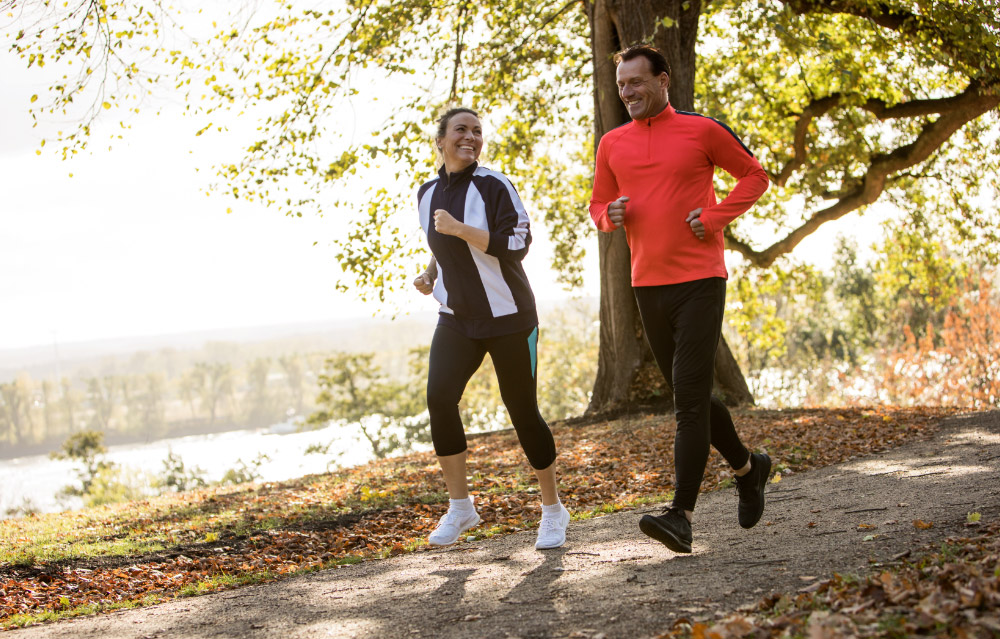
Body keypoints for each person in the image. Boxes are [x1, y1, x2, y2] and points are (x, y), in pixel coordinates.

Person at [588, 45, 773, 554]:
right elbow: (597, 204)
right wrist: (611, 215)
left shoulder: (702, 130)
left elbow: (755, 177)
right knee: (690, 396)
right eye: (621, 85)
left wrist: (715, 218)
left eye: (636, 83)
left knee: (687, 404)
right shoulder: (612, 143)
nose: (627, 92)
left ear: (663, 81)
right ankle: (747, 468)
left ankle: (681, 515)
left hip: (699, 280)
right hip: (647, 284)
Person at [413, 106, 570, 550]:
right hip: (457, 319)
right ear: (440, 140)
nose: (471, 137)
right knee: (439, 399)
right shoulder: (426, 192)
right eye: (461, 130)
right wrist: (430, 275)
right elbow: (440, 246)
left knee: (521, 410)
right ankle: (461, 507)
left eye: (477, 132)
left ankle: (553, 509)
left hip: (510, 317)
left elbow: (518, 244)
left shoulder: (494, 184)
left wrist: (463, 230)